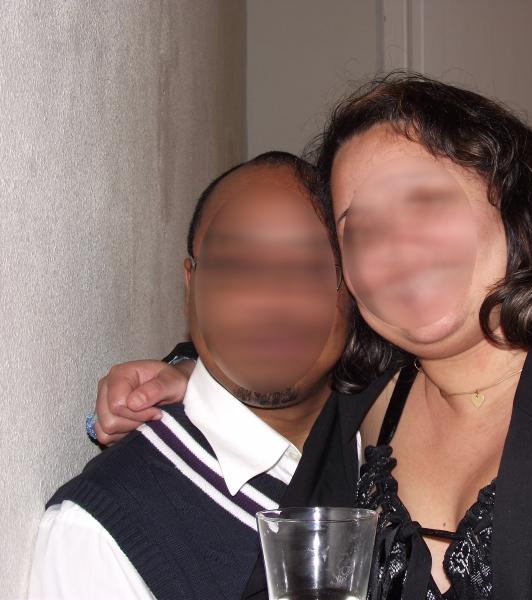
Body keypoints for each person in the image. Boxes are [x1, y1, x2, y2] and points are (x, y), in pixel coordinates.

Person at [95, 74, 532, 600]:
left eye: (426, 201)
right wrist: (193, 373)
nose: (397, 247)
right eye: (362, 229)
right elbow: (280, 352)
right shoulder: (356, 412)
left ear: (515, 200)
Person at [27, 151, 352, 600]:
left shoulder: (390, 437)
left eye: (309, 266)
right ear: (190, 286)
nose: (272, 299)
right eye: (235, 266)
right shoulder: (100, 536)